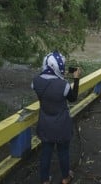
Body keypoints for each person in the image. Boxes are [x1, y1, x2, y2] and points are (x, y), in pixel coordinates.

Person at [31, 51, 81, 184]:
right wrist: (76, 79)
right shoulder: (64, 85)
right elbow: (73, 98)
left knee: (46, 152)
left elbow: (48, 85)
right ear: (58, 66)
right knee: (63, 151)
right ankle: (66, 177)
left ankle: (45, 180)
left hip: (45, 123)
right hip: (62, 125)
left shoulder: (35, 82)